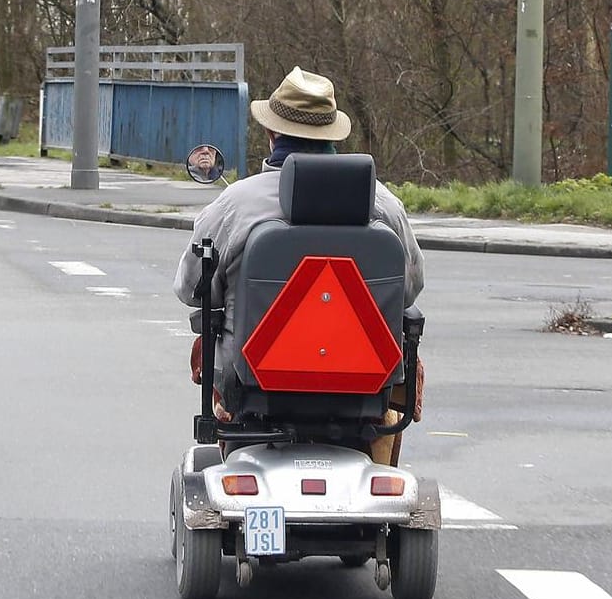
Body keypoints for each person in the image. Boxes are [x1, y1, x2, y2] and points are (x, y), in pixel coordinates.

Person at [172, 66, 425, 464]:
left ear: (272, 134)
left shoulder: (234, 205)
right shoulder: (384, 206)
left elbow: (191, 290)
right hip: (361, 392)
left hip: (253, 388)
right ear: (331, 134)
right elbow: (408, 289)